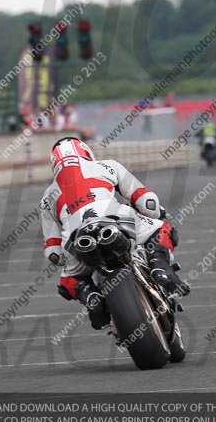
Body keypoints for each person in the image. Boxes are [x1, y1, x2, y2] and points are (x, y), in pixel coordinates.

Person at [39, 137, 190, 329]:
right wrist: (157, 212)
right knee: (163, 230)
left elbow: (53, 252)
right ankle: (159, 264)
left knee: (69, 279)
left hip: (76, 238)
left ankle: (90, 295)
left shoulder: (47, 198)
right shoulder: (108, 166)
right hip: (116, 218)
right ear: (85, 152)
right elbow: (146, 201)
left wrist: (63, 257)